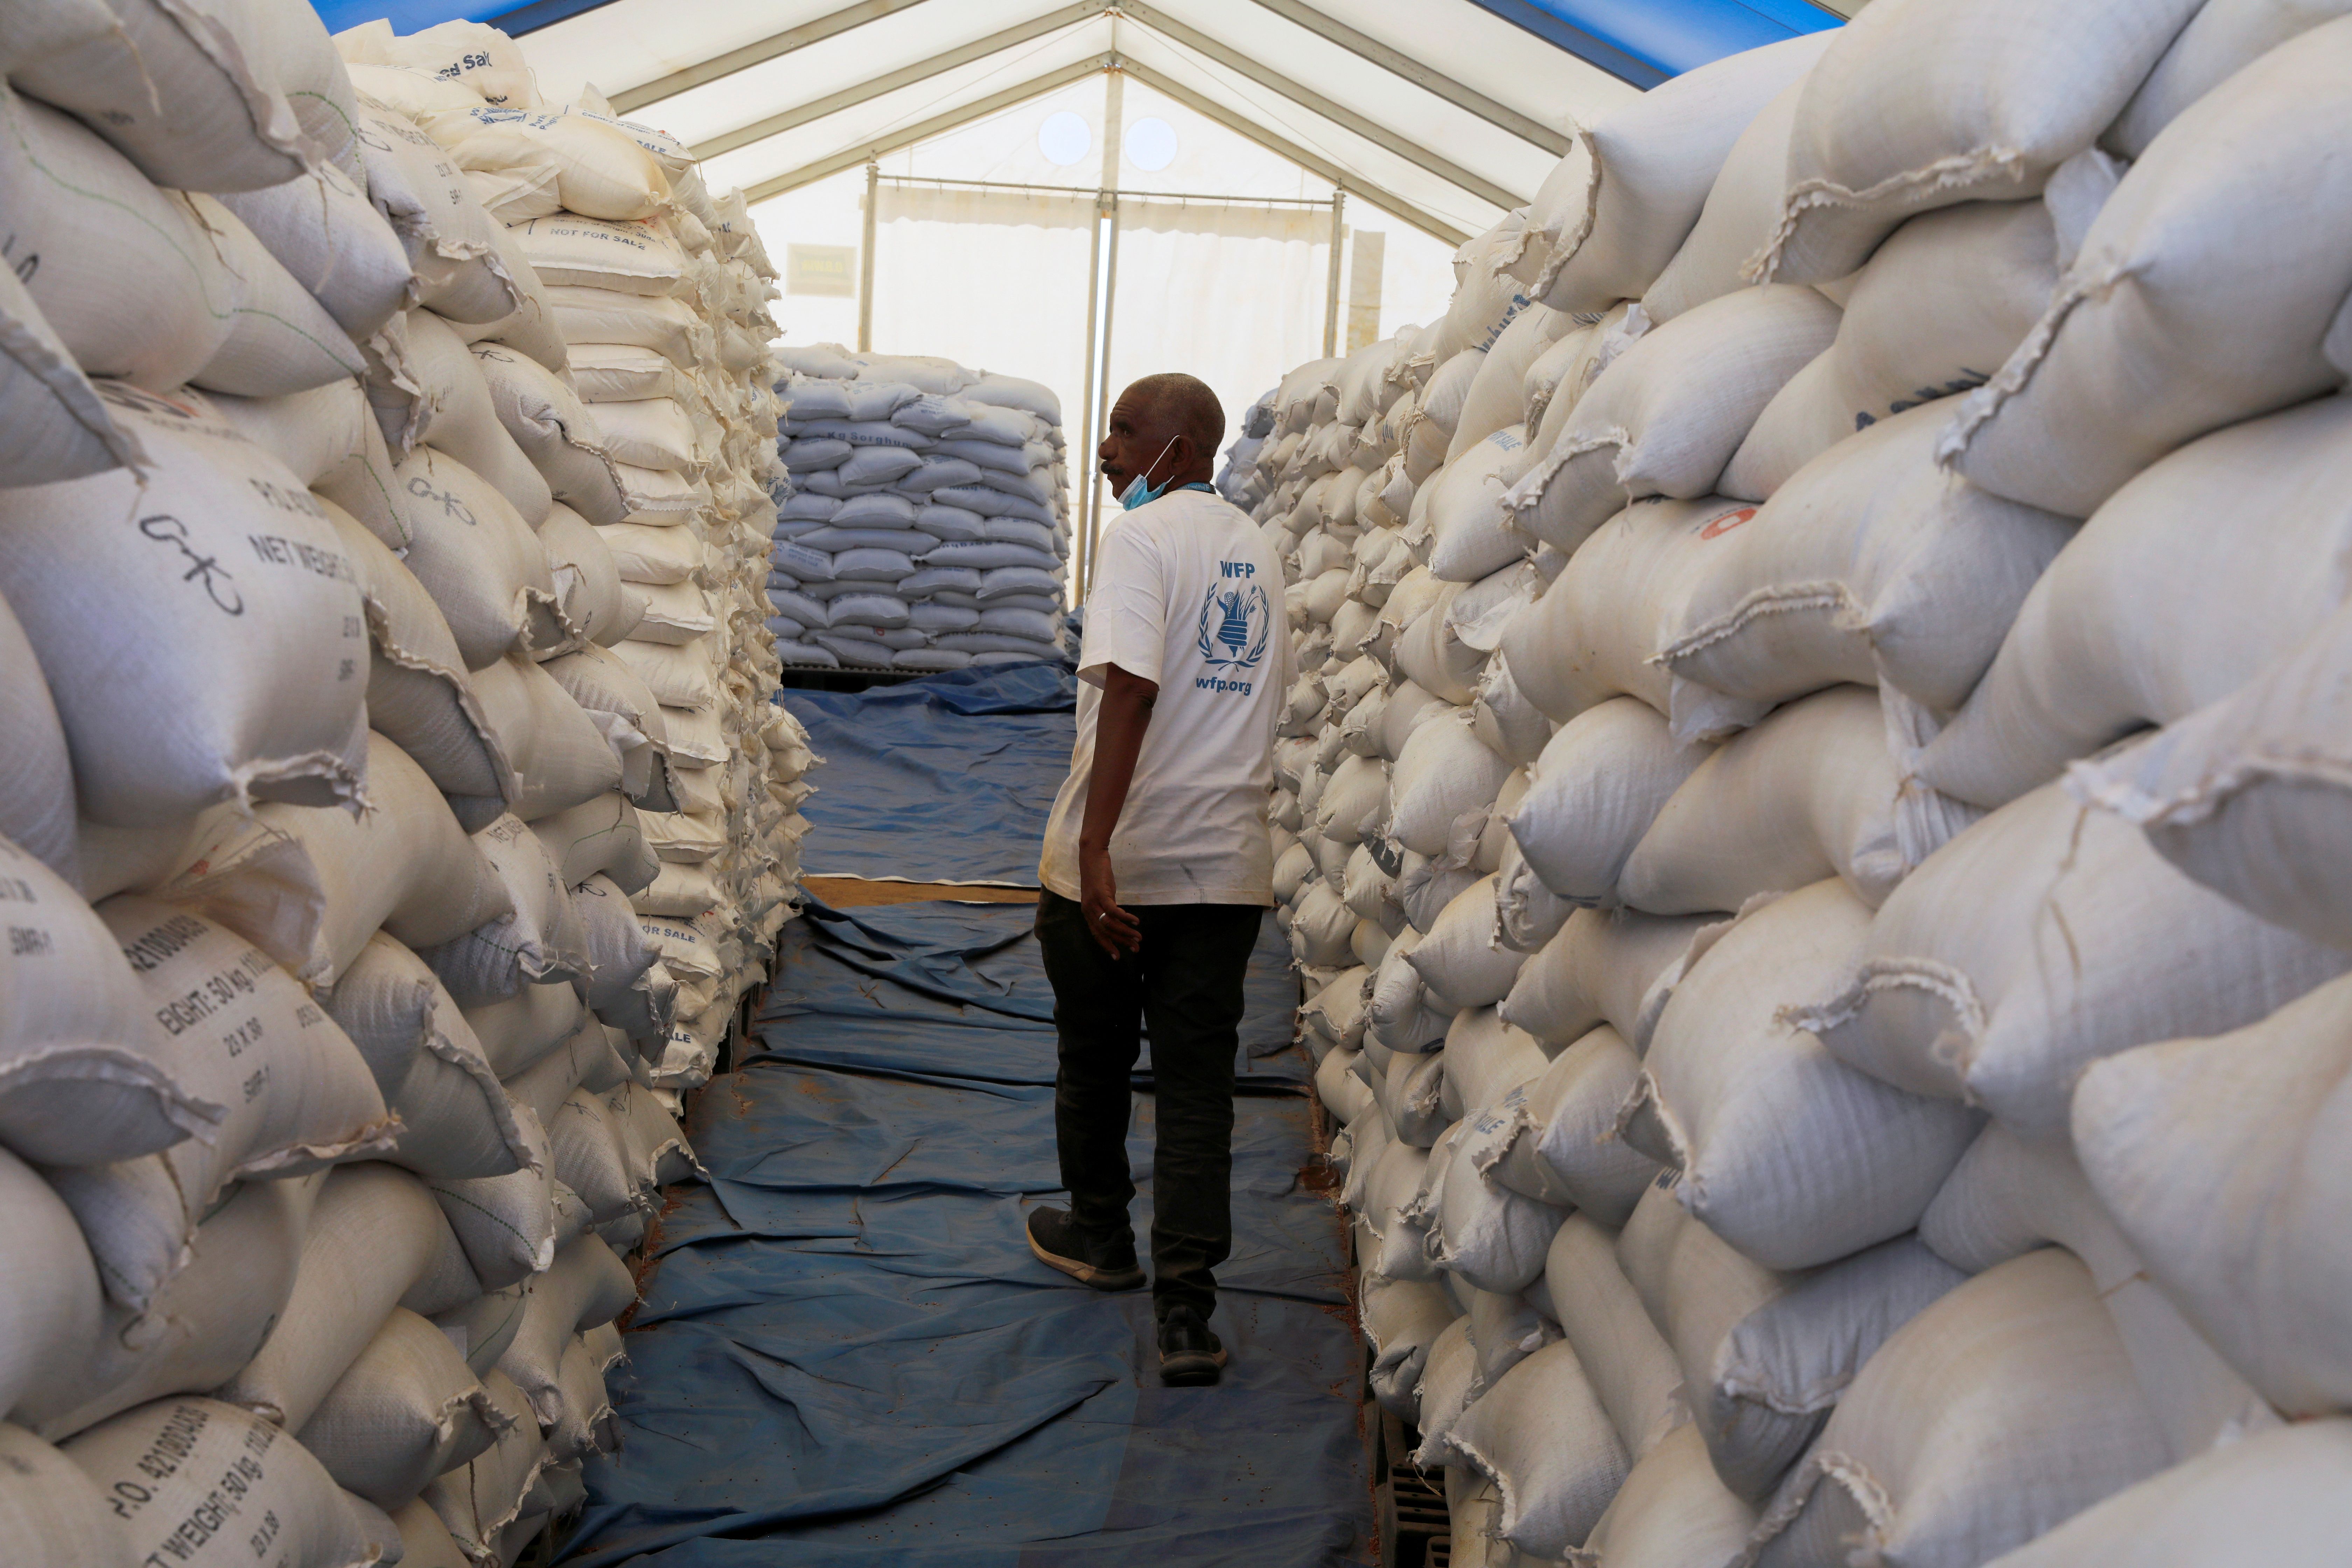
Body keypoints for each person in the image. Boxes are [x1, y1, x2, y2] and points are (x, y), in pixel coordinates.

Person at [1027, 372, 1289, 1387]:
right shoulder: (1258, 548)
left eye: (1126, 433)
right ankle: (1188, 1314)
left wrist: (1097, 853)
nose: (1107, 449)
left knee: (1092, 1060)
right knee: (1195, 1090)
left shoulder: (1139, 542)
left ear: (1182, 446)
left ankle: (1102, 1237)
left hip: (1123, 863)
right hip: (1225, 867)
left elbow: (1132, 689)